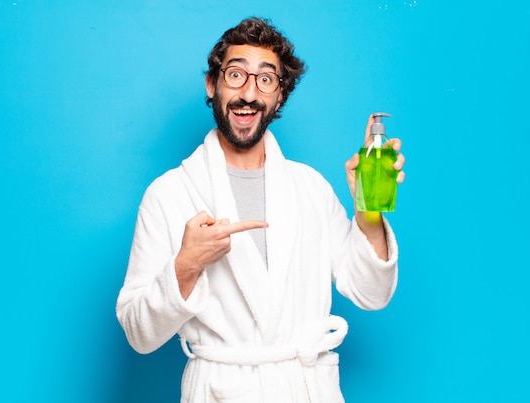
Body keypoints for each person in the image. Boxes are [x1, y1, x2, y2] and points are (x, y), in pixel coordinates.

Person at [116, 17, 406, 402]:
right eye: (236, 74)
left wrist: (368, 214)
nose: (249, 93)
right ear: (212, 84)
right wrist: (185, 266)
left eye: (266, 79)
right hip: (220, 390)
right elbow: (139, 335)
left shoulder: (310, 188)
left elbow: (373, 294)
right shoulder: (168, 194)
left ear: (279, 96)